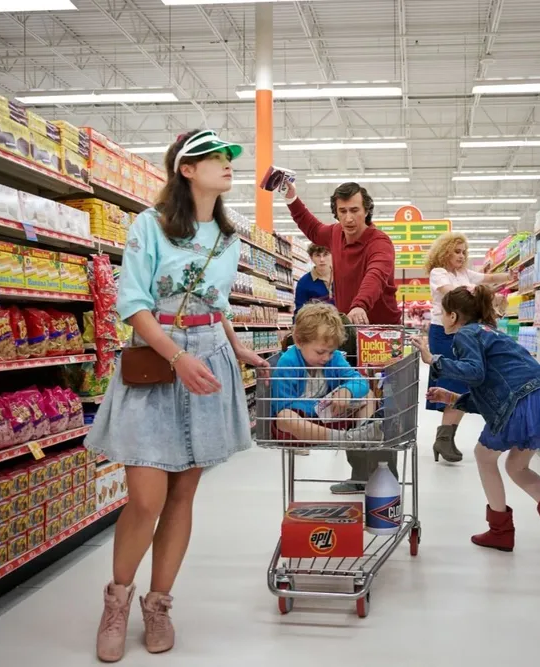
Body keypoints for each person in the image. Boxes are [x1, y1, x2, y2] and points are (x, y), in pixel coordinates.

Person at [84, 129, 267, 662]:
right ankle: (116, 601)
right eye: (218, 158)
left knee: (184, 496)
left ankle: (159, 605)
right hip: (158, 359)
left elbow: (219, 305)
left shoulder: (230, 237)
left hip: (209, 357)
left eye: (231, 159)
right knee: (145, 498)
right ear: (187, 168)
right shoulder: (150, 226)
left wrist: (237, 349)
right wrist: (176, 356)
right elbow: (133, 303)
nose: (229, 165)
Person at [412, 285, 540, 558]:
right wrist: (453, 398)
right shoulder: (489, 332)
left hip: (520, 400)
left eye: (441, 312)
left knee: (484, 456)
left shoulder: (466, 334)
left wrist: (433, 360)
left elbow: (474, 372)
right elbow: (489, 388)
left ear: (451, 316)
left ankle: (500, 532)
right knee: (517, 467)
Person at [282, 180, 400, 494]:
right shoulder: (335, 235)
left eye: (355, 211)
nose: (348, 218)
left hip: (383, 336)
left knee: (383, 406)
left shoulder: (380, 242)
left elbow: (376, 273)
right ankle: (361, 474)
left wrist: (360, 304)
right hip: (349, 333)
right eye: (342, 211)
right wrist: (292, 197)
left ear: (367, 210)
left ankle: (383, 477)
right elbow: (310, 227)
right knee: (351, 400)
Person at [424, 232, 516, 464]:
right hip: (444, 331)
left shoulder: (464, 273)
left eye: (464, 251)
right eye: (456, 251)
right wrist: (480, 294)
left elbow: (486, 278)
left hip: (463, 331)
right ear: (444, 251)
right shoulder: (439, 273)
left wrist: (511, 275)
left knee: (465, 383)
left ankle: (446, 437)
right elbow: (452, 295)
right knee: (454, 380)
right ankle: (444, 438)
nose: (461, 255)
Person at [272, 303, 380, 444]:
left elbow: (360, 381)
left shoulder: (334, 357)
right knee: (284, 417)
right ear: (299, 341)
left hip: (331, 415)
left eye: (331, 351)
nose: (326, 357)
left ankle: (362, 433)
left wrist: (347, 391)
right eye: (320, 352)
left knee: (367, 394)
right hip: (304, 422)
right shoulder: (287, 363)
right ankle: (342, 438)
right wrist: (318, 406)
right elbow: (281, 406)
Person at [293, 243, 334, 315]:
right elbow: (299, 312)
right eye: (317, 255)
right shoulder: (303, 283)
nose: (322, 259)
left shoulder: (343, 278)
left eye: (326, 254)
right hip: (318, 325)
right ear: (311, 258)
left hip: (344, 324)